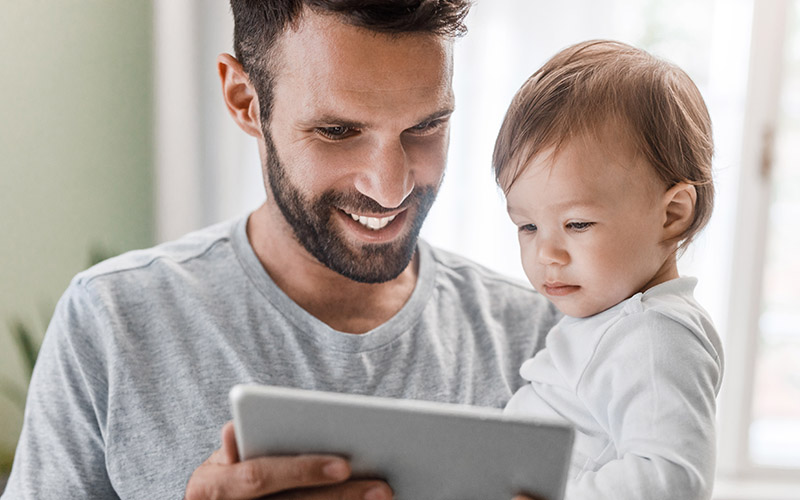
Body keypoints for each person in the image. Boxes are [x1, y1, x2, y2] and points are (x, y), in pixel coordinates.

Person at [2, 2, 560, 499]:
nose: (390, 188)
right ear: (246, 101)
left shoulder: (545, 339)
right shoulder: (112, 322)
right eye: (338, 131)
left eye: (426, 125)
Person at [494, 40, 725, 499]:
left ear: (672, 214)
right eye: (527, 226)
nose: (547, 254)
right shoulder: (615, 322)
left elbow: (672, 478)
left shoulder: (654, 335)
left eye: (577, 223)